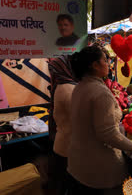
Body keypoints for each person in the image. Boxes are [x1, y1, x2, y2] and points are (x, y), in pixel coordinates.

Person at [67, 46, 132, 194]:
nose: (108, 64)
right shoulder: (101, 93)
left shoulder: (80, 87)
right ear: (95, 65)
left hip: (79, 162)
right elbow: (108, 133)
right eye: (105, 60)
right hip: (99, 169)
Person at [48, 55, 78, 195]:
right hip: (68, 148)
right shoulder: (69, 89)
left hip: (61, 145)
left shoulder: (60, 86)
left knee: (61, 185)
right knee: (68, 187)